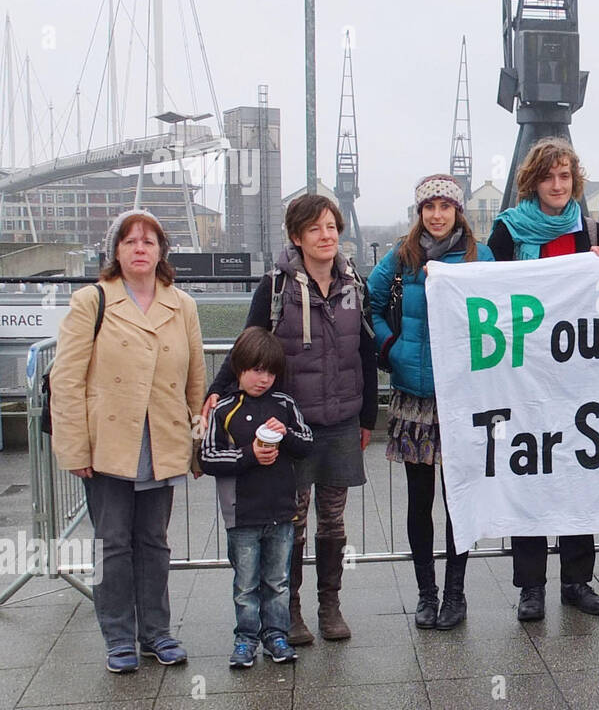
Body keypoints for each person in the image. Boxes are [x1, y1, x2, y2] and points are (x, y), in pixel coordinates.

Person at [203, 194, 378, 644]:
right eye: (316, 228)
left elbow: (366, 350)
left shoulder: (354, 283)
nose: (326, 236)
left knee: (334, 520)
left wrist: (368, 413)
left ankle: (330, 604)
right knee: (292, 520)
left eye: (332, 227)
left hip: (342, 418)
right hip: (293, 425)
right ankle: (291, 609)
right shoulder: (275, 287)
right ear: (297, 237)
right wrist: (218, 390)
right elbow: (249, 345)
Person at [51, 209, 206, 673]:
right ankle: (118, 637)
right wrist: (75, 449)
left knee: (154, 541)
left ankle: (157, 633)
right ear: (114, 251)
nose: (140, 248)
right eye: (130, 241)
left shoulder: (182, 305)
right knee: (112, 542)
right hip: (108, 445)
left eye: (149, 241)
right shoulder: (91, 301)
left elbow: (196, 380)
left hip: (162, 440)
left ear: (162, 252)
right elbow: (67, 381)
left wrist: (197, 445)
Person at [487, 137, 599, 622]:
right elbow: (490, 294)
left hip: (578, 374)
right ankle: (531, 585)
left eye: (565, 176)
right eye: (548, 176)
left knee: (579, 475)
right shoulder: (507, 231)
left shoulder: (593, 229)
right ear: (533, 181)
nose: (557, 185)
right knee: (532, 476)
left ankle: (577, 580)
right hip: (525, 375)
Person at [369, 175, 494, 631]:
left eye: (445, 206)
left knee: (457, 498)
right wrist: (391, 347)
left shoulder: (481, 258)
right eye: (429, 207)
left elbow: (503, 310)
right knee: (419, 500)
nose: (437, 214)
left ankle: (455, 594)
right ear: (419, 213)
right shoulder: (400, 259)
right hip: (415, 394)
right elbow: (372, 305)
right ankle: (427, 593)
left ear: (458, 211)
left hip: (462, 395)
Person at [200, 328, 314, 666]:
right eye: (255, 370)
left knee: (278, 580)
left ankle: (276, 635)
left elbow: (307, 443)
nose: (262, 379)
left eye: (269, 371)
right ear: (239, 369)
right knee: (245, 583)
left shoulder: (285, 404)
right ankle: (245, 638)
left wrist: (287, 435)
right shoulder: (224, 409)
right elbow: (207, 458)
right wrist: (249, 454)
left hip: (282, 511)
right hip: (242, 514)